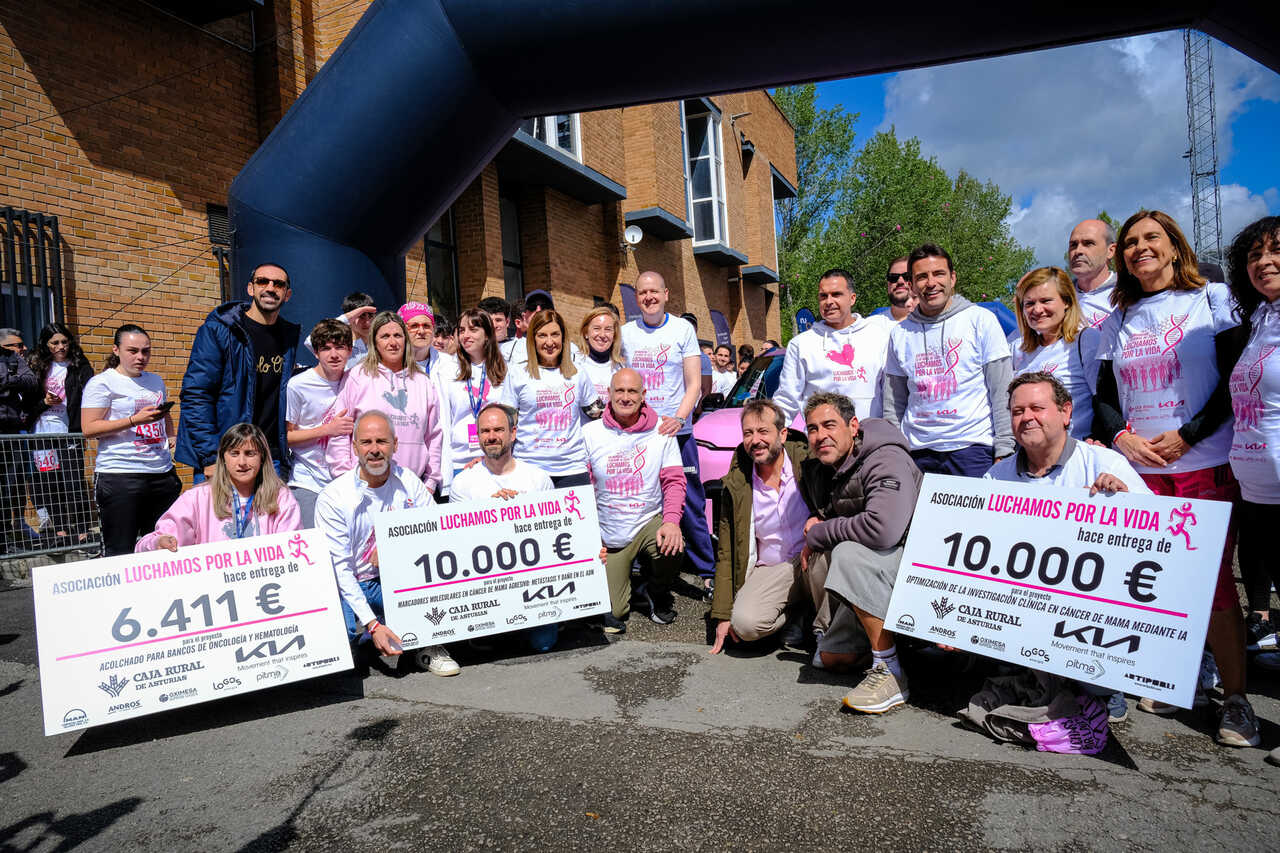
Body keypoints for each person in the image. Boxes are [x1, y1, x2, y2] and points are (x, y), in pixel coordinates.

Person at [1093, 209, 1257, 748]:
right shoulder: (1115, 320)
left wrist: (1188, 434)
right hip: (1140, 473)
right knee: (1148, 581)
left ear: (1173, 246)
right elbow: (1105, 398)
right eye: (1132, 242)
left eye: (1152, 239)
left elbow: (1236, 381)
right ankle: (1172, 674)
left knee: (1211, 587)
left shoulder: (1211, 300)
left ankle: (1235, 700)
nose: (1141, 248)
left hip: (1203, 462)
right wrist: (1122, 439)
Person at [984, 371, 1148, 723]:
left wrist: (1126, 501)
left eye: (1037, 408)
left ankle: (1101, 685)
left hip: (1089, 608)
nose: (1026, 417)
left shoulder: (1104, 464)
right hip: (1021, 600)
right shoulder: (996, 478)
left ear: (1066, 412)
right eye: (1017, 411)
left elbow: (1156, 540)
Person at [800, 392, 922, 713]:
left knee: (845, 553)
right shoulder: (827, 463)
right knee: (832, 660)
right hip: (880, 563)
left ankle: (890, 670)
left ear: (853, 426)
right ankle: (890, 643)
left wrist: (820, 532)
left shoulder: (886, 458)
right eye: (812, 429)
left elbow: (883, 529)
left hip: (917, 564)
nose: (820, 436)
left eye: (829, 425)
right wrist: (820, 523)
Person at [315, 410, 459, 676]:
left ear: (395, 444)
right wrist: (371, 624)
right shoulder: (333, 498)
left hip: (395, 579)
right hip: (352, 583)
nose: (374, 450)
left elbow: (438, 532)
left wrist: (396, 548)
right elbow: (341, 571)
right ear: (354, 446)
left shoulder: (410, 483)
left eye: (381, 441)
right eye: (366, 442)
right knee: (342, 650)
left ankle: (427, 646)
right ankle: (374, 633)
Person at [883, 243, 1013, 476]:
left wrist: (1005, 449)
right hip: (916, 452)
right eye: (922, 277)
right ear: (911, 285)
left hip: (972, 449)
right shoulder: (899, 334)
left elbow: (1001, 389)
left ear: (952, 278)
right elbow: (894, 404)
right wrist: (894, 452)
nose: (931, 283)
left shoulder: (981, 320)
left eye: (938, 274)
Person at [621, 271, 715, 584]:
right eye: (642, 292)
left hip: (678, 431)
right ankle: (638, 565)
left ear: (666, 294)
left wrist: (678, 418)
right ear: (636, 297)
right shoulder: (626, 333)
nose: (649, 297)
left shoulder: (682, 329)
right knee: (639, 498)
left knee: (689, 500)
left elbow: (693, 385)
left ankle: (706, 568)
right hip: (639, 432)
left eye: (654, 292)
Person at [707, 399, 815, 654]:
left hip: (813, 558)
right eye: (748, 433)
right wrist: (722, 614)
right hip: (772, 568)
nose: (755, 440)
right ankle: (795, 615)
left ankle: (815, 622)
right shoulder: (739, 482)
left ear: (783, 434)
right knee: (745, 625)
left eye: (763, 431)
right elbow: (726, 550)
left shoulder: (808, 464)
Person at [583, 368, 686, 633]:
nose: (626, 397)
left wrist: (672, 522)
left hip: (646, 521)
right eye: (620, 390)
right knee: (615, 613)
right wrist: (591, 537)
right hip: (609, 531)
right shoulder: (591, 433)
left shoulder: (662, 432)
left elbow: (674, 482)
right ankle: (631, 586)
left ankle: (656, 589)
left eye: (632, 391)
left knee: (673, 544)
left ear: (643, 395)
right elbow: (583, 488)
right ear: (609, 394)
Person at [450, 402, 558, 652]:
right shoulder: (464, 482)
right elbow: (459, 542)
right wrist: (490, 512)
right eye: (485, 431)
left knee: (543, 644)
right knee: (486, 642)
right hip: (487, 583)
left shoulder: (537, 478)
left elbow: (553, 532)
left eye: (498, 430)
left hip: (532, 581)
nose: (491, 437)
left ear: (513, 433)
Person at [177, 261, 300, 480]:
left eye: (278, 284)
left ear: (287, 294)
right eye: (262, 281)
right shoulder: (219, 330)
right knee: (220, 515)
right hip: (228, 456)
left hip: (271, 459)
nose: (270, 288)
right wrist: (211, 456)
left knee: (272, 515)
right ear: (250, 289)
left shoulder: (288, 337)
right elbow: (196, 395)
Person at [1225, 216, 1280, 684]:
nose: (1264, 262)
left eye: (1275, 250)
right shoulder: (1260, 319)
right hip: (1258, 486)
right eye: (1254, 255)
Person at [81, 324, 181, 556]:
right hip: (120, 475)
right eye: (133, 351)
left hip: (161, 474)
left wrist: (171, 434)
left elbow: (163, 414)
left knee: (163, 546)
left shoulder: (155, 381)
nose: (141, 357)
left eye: (146, 351)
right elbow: (89, 428)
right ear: (116, 350)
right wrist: (135, 420)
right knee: (120, 550)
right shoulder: (102, 383)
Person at [326, 311, 443, 493]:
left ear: (406, 340)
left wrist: (430, 482)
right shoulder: (357, 377)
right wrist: (345, 479)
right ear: (374, 342)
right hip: (364, 487)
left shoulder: (423, 382)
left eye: (397, 335)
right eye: (385, 336)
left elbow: (434, 436)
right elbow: (340, 433)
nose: (393, 343)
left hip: (412, 488)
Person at [137, 423, 301, 550]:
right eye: (234, 454)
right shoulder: (197, 498)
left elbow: (293, 546)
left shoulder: (280, 497)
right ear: (223, 458)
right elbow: (146, 544)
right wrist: (159, 543)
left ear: (262, 458)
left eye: (250, 454)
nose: (242, 462)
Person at [774, 268, 891, 425]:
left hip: (870, 438)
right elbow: (786, 399)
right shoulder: (801, 344)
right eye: (823, 296)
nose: (829, 301)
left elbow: (891, 395)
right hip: (823, 442)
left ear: (852, 298)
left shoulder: (878, 337)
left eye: (836, 294)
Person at [505, 310, 599, 487]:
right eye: (542, 335)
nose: (549, 342)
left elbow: (598, 414)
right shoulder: (517, 373)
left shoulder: (577, 373)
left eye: (555, 334)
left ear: (563, 338)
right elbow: (506, 422)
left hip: (572, 469)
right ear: (533, 339)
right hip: (528, 468)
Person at [1010, 267, 1101, 440]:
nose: (1037, 310)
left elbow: (1106, 401)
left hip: (1074, 453)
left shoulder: (1086, 340)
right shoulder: (1020, 351)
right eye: (1029, 303)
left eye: (1046, 301)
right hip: (1031, 458)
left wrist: (1098, 439)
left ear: (1066, 301)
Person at [27, 322, 94, 540]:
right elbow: (27, 403)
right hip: (43, 430)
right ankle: (60, 528)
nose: (60, 346)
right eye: (54, 342)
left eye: (64, 341)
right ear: (46, 345)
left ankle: (82, 529)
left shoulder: (79, 366)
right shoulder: (37, 367)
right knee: (50, 481)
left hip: (70, 429)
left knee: (73, 480)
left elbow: (91, 394)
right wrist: (44, 402)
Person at [285, 319, 355, 527]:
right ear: (315, 352)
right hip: (308, 482)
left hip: (348, 481)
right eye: (326, 348)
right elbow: (287, 437)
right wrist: (327, 430)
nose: (334, 355)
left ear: (350, 350)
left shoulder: (356, 380)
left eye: (340, 347)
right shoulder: (298, 386)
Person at [434, 308, 511, 494]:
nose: (465, 335)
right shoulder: (446, 371)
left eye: (473, 329)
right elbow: (443, 421)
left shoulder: (507, 370)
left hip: (498, 463)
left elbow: (512, 420)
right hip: (460, 462)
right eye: (461, 330)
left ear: (487, 335)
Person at [0, 329, 38, 552]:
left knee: (11, 485)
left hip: (12, 431)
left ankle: (6, 538)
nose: (23, 349)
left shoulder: (14, 360)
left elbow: (31, 381)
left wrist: (7, 381)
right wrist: (13, 380)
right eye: (18, 345)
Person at [302, 291, 376, 368]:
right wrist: (348, 317)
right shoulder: (339, 348)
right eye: (361, 316)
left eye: (371, 316)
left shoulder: (379, 346)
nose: (367, 322)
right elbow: (309, 341)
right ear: (351, 317)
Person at [1068, 219, 1118, 330]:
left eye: (1088, 243)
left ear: (1110, 251)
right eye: (1073, 245)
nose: (1078, 251)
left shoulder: (1127, 293)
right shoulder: (1060, 296)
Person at [575, 306, 623, 403]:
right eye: (596, 328)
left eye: (608, 329)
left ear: (614, 335)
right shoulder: (574, 362)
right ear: (586, 333)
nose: (602, 335)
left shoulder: (621, 367)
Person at [400, 302, 442, 376]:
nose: (421, 331)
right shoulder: (390, 367)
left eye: (426, 326)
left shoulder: (450, 364)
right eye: (414, 326)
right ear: (402, 330)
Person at [882, 256, 918, 324]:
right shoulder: (870, 327)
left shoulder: (938, 324)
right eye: (893, 277)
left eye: (907, 276)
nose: (900, 281)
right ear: (888, 284)